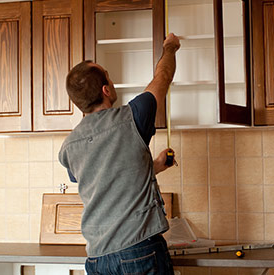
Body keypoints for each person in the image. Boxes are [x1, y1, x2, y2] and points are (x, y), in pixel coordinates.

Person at [58, 33, 181, 275]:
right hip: (140, 252)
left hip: (98, 260)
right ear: (106, 89)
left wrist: (152, 166)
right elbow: (163, 77)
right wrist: (170, 48)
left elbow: (104, 177)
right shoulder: (133, 118)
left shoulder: (69, 147)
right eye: (109, 76)